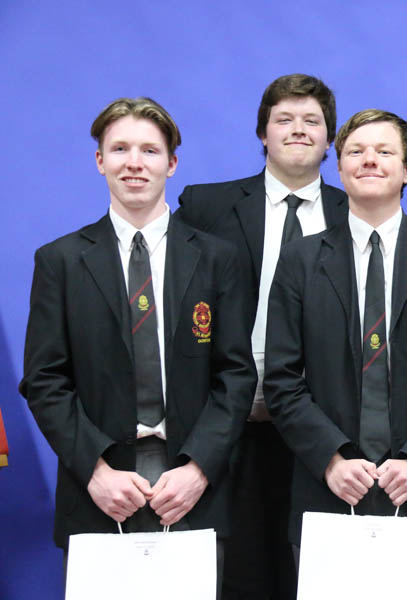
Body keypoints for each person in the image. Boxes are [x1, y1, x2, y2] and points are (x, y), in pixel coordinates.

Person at [19, 97, 257, 598]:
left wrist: (199, 468)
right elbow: (44, 380)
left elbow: (235, 374)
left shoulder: (217, 259)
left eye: (149, 150)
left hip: (190, 485)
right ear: (99, 160)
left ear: (172, 163)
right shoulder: (60, 261)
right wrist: (95, 470)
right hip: (99, 487)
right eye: (120, 149)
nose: (134, 163)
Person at [264, 109, 407, 600]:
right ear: (339, 167)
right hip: (328, 486)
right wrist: (331, 457)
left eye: (384, 151)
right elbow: (281, 378)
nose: (369, 160)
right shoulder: (301, 259)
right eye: (355, 151)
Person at [176, 74, 347, 600]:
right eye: (284, 119)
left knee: (318, 580)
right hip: (233, 427)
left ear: (329, 138)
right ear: (262, 133)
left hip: (328, 434)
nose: (298, 130)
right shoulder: (207, 207)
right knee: (241, 579)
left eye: (312, 120)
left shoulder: (356, 210)